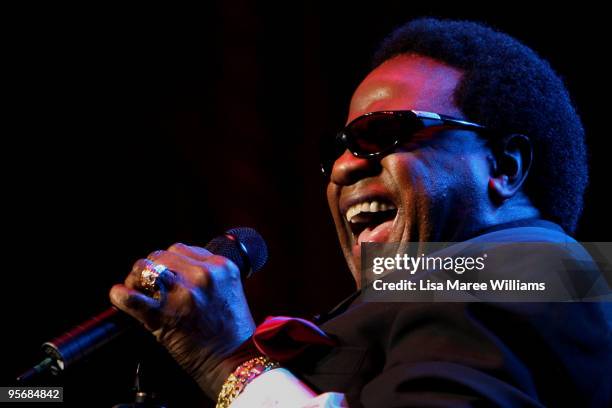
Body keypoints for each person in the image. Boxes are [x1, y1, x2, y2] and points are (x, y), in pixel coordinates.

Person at [109, 18, 612, 407]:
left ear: (503, 165)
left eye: (382, 134)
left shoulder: (539, 270)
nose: (344, 167)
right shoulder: (437, 285)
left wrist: (225, 359)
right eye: (339, 148)